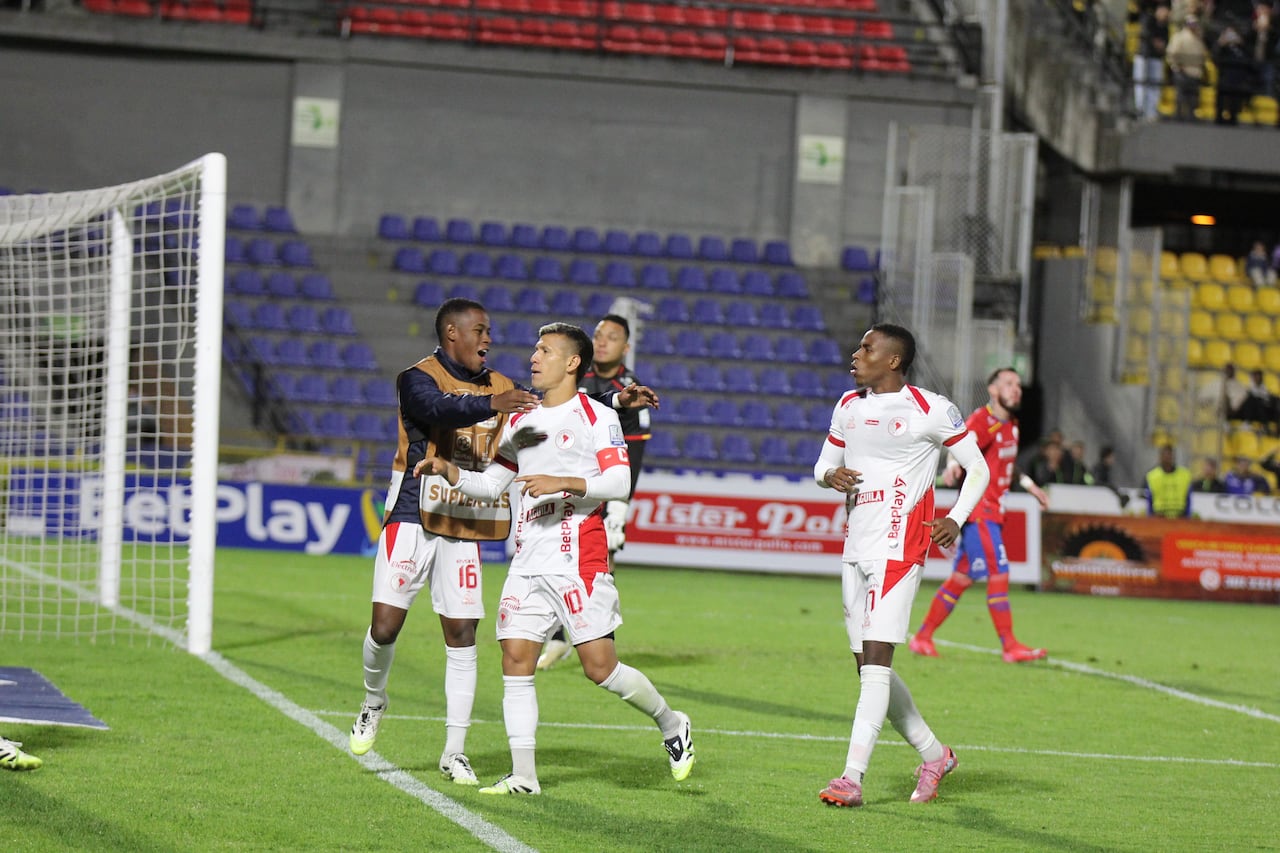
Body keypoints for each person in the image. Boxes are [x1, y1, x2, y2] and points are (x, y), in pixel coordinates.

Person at [416, 322, 693, 795]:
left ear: (571, 363)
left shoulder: (596, 417)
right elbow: (493, 485)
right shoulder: (521, 421)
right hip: (526, 562)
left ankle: (673, 723)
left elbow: (618, 483)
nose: (533, 357)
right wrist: (453, 472)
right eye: (535, 349)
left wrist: (566, 483)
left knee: (600, 669)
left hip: (577, 560)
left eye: (544, 350)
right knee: (515, 659)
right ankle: (525, 776)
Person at [349, 298, 541, 787]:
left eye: (490, 330)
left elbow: (552, 410)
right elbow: (432, 409)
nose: (488, 339)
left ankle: (454, 751)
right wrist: (490, 405)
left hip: (465, 517)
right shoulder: (417, 376)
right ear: (452, 333)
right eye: (480, 330)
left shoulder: (501, 386)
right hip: (413, 510)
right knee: (385, 628)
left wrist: (612, 405)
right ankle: (374, 698)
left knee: (462, 634)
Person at [811, 323, 990, 808]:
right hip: (855, 547)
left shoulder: (930, 408)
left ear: (893, 360)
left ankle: (851, 777)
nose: (856, 353)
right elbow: (821, 465)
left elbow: (979, 467)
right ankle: (935, 755)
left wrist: (955, 517)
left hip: (901, 544)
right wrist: (831, 475)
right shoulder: (848, 405)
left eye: (867, 347)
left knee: (876, 667)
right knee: (868, 668)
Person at [537, 313, 659, 670]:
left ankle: (598, 641)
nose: (602, 341)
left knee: (601, 565)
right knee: (556, 559)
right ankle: (561, 637)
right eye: (598, 335)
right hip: (564, 486)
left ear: (626, 347)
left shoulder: (632, 390)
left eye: (612, 337)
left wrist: (619, 508)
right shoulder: (574, 377)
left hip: (603, 489)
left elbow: (632, 453)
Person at [908, 367, 1050, 664]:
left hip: (995, 512)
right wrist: (951, 463)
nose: (1016, 389)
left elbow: (1008, 463)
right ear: (994, 390)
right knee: (1000, 573)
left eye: (1018, 385)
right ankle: (1010, 646)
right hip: (980, 512)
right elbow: (963, 442)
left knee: (961, 578)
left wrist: (1029, 485)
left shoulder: (1011, 424)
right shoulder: (982, 421)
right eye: (1009, 384)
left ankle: (922, 637)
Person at [1134, 3, 1171, 119]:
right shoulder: (1148, 19)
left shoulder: (1165, 26)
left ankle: (1151, 111)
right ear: (1159, 10)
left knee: (1155, 84)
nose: (1166, 14)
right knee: (1141, 83)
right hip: (1144, 56)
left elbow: (1166, 41)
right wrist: (1156, 42)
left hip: (1157, 58)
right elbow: (1145, 34)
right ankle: (1140, 109)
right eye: (1165, 10)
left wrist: (1162, 45)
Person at [1167, 16, 1208, 121]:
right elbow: (1173, 53)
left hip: (1195, 71)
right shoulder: (1179, 37)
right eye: (1191, 24)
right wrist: (1177, 66)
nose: (1194, 26)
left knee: (1193, 97)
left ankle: (1191, 115)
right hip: (1182, 70)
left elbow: (1202, 55)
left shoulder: (1198, 38)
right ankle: (1178, 114)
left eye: (1195, 24)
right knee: (1181, 95)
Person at [1144, 444, 1192, 517]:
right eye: (1165, 455)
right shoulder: (1152, 476)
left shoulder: (1185, 475)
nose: (1167, 458)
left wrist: (1187, 517)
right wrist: (1151, 518)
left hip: (1180, 518)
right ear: (1160, 457)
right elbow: (1149, 499)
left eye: (1169, 455)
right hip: (1158, 518)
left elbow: (1188, 499)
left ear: (1173, 457)